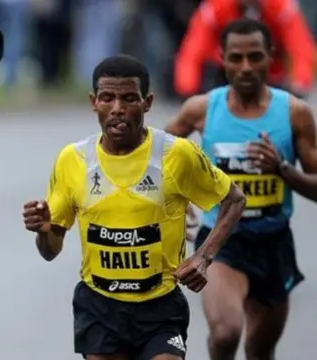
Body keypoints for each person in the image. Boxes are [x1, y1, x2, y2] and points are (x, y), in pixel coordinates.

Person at [22, 54, 246, 360]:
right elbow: (50, 250)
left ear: (147, 103)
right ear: (93, 102)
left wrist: (203, 257)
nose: (117, 109)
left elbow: (234, 199)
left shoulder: (176, 154)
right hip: (99, 306)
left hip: (160, 306)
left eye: (129, 98)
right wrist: (43, 230)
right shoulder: (72, 160)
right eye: (107, 98)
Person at [165, 18, 317, 360]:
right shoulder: (201, 110)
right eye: (235, 58)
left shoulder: (295, 114)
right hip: (221, 241)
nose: (245, 67)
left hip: (273, 241)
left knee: (260, 349)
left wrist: (283, 170)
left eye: (255, 56)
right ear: (222, 58)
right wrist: (176, 197)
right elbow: (158, 158)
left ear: (270, 56)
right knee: (225, 333)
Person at [174, 0, 315, 99]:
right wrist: (188, 88)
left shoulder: (282, 7)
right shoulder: (215, 7)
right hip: (225, 76)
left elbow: (300, 46)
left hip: (271, 75)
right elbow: (193, 48)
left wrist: (299, 82)